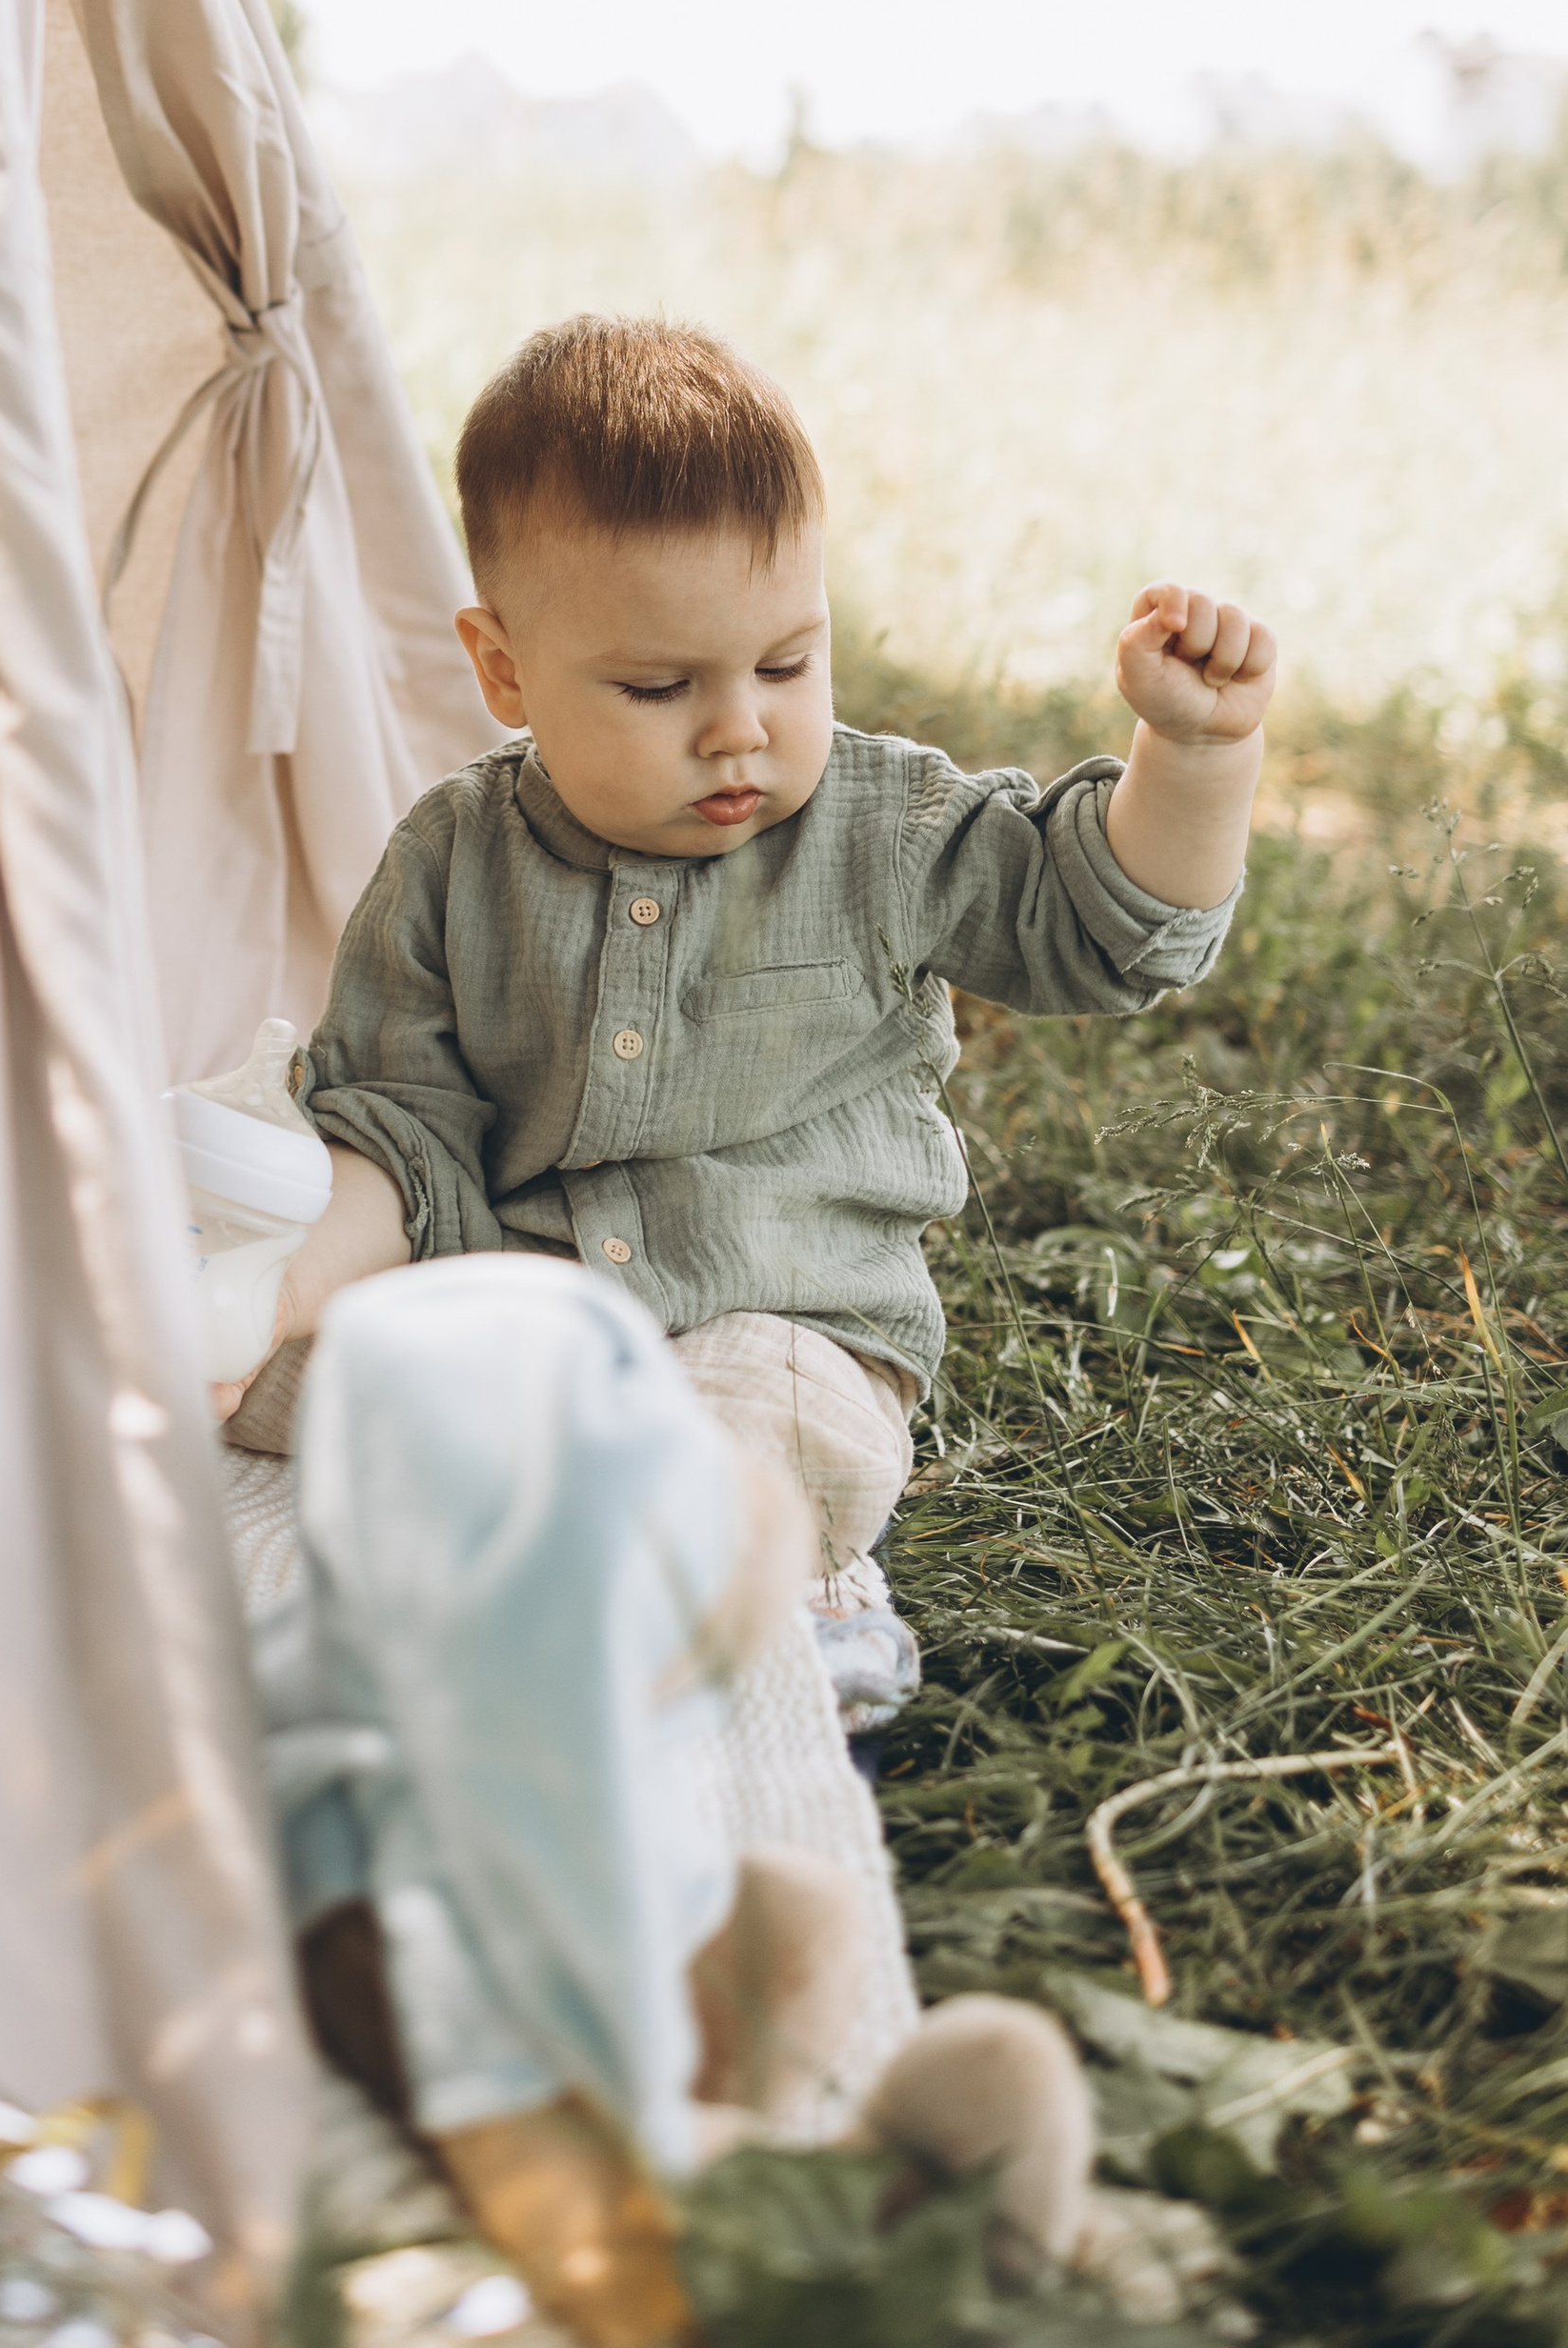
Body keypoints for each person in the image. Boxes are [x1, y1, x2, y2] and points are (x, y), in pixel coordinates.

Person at [219, 313, 1277, 1592]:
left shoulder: (885, 828)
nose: (739, 729)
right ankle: (527, 1483)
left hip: (781, 1318)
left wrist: (1197, 757)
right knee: (250, 1365)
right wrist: (285, 1293)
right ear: (505, 670)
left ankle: (629, 1570)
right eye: (656, 688)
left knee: (754, 1443)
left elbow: (1104, 931)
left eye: (784, 664)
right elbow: (399, 1131)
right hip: (523, 1313)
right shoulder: (452, 856)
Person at [263, 1255, 1095, 2348]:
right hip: (550, 2139)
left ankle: (747, 2132)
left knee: (795, 1907)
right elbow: (511, 2105)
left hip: (621, 2022)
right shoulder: (441, 1852)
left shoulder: (378, 1660)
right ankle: (831, 2222)